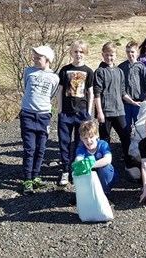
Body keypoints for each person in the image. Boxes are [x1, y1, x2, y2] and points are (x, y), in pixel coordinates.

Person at [19, 45, 60, 195]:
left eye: (39, 58)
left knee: (41, 149)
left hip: (43, 115)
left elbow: (52, 94)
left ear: (47, 60)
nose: (35, 60)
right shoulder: (28, 71)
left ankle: (36, 175)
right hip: (28, 114)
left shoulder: (54, 77)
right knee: (30, 149)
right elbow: (26, 87)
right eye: (34, 57)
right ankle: (27, 179)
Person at [56, 40, 94, 186]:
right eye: (76, 51)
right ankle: (65, 170)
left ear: (85, 53)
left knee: (80, 143)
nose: (78, 54)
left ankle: (75, 169)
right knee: (64, 142)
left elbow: (90, 92)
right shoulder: (65, 70)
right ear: (71, 53)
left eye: (81, 52)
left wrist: (88, 112)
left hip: (82, 113)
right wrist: (59, 110)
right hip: (65, 113)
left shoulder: (88, 71)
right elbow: (60, 90)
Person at [94, 42, 137, 170]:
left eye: (111, 55)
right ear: (103, 55)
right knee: (105, 139)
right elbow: (97, 93)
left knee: (125, 135)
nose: (109, 58)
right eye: (106, 55)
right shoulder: (99, 71)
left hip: (119, 110)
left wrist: (132, 102)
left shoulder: (119, 71)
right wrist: (99, 112)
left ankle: (128, 163)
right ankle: (104, 166)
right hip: (105, 112)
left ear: (116, 55)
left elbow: (123, 92)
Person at [118, 41, 146, 158]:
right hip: (125, 102)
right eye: (128, 52)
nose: (130, 54)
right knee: (125, 129)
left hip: (138, 103)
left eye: (132, 52)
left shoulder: (141, 67)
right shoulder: (122, 67)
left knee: (140, 128)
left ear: (137, 53)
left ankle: (140, 152)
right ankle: (126, 152)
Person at [73, 120, 117, 197]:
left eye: (91, 137)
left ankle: (105, 192)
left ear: (97, 135)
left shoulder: (102, 144)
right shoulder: (81, 148)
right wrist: (80, 164)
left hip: (106, 176)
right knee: (78, 168)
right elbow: (78, 160)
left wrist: (90, 165)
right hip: (90, 176)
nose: (88, 141)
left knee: (106, 168)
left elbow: (108, 159)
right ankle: (84, 193)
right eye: (85, 138)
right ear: (81, 138)